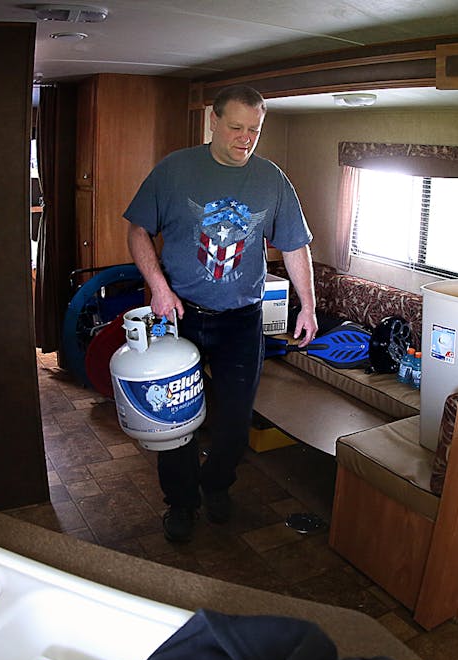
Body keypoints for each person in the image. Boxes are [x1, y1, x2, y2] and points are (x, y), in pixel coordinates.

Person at [124, 84, 317, 543]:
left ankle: (216, 487)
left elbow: (294, 245)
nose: (245, 138)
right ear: (213, 120)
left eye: (254, 129)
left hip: (241, 320)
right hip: (178, 316)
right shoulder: (175, 170)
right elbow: (138, 231)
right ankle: (181, 503)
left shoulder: (272, 179)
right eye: (235, 127)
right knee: (176, 418)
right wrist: (159, 289)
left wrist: (307, 304)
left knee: (234, 421)